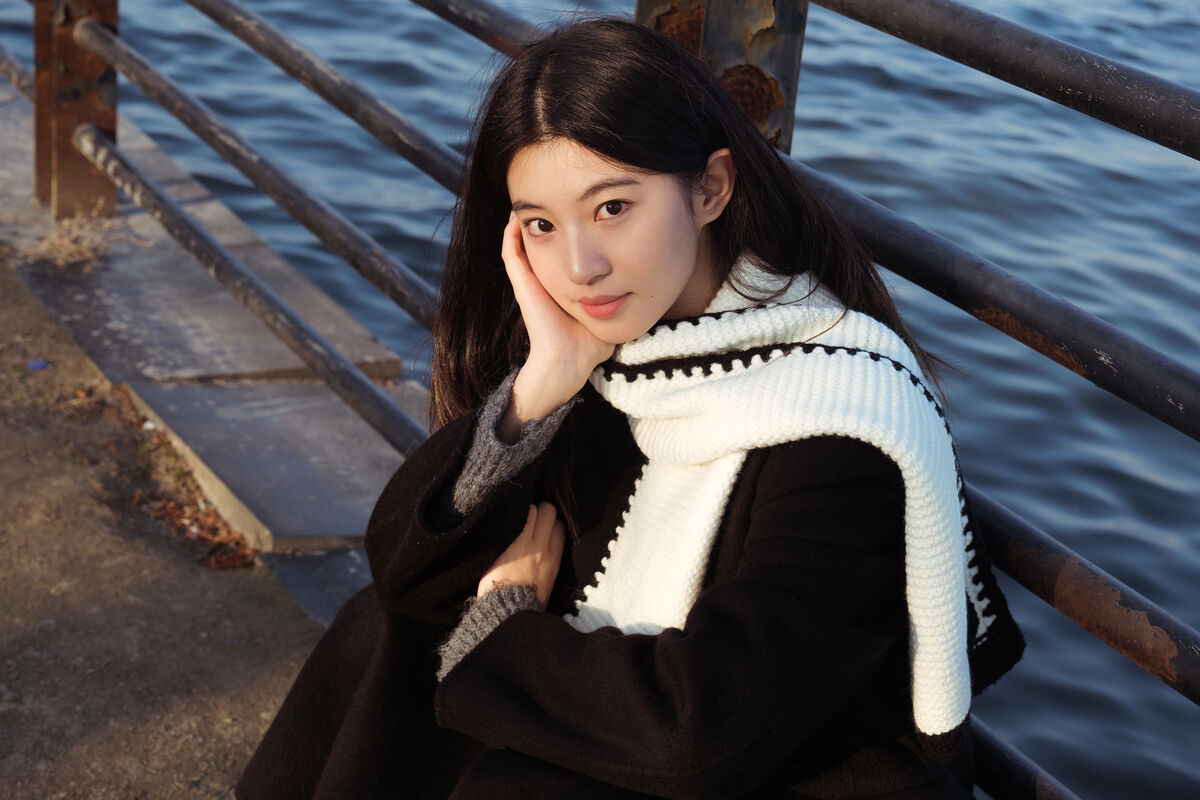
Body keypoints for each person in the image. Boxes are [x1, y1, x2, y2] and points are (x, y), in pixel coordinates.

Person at [237, 16, 1024, 800]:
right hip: (668, 729)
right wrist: (536, 391)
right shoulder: (617, 360)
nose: (579, 265)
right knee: (382, 637)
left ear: (710, 189)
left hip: (793, 769)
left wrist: (502, 628)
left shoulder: (839, 418)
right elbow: (408, 581)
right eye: (541, 225)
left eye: (612, 208)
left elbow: (702, 731)